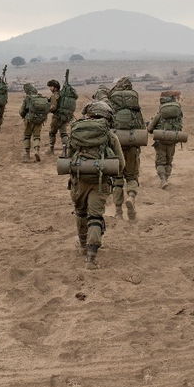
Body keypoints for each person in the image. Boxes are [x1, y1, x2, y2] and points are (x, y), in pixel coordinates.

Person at [65, 101, 125, 268]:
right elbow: (121, 163)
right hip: (100, 183)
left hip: (79, 181)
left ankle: (83, 245)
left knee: (80, 213)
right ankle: (91, 257)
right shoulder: (110, 136)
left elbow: (68, 158)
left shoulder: (76, 132)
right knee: (95, 217)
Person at [107, 77, 145, 219]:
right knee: (132, 177)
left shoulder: (112, 107)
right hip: (131, 148)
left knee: (117, 180)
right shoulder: (135, 110)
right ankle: (131, 197)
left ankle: (118, 212)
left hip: (116, 148)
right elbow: (142, 128)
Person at [148, 94, 185, 188]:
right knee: (169, 162)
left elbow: (149, 129)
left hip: (161, 142)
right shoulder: (178, 114)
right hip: (172, 141)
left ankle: (163, 180)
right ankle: (166, 179)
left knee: (160, 162)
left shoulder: (160, 114)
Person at [19, 82, 50, 162]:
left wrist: (23, 116)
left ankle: (27, 155)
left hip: (29, 120)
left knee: (27, 136)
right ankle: (36, 151)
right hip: (38, 120)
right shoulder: (41, 97)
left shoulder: (28, 98)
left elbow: (22, 111)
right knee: (36, 137)